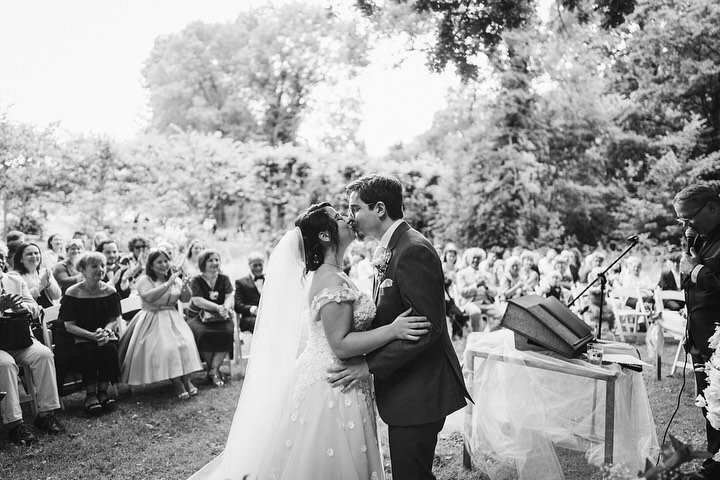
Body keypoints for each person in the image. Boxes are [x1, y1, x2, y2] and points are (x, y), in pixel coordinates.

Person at [188, 202, 430, 480]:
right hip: (334, 386)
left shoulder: (336, 274)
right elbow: (340, 344)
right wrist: (394, 330)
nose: (348, 219)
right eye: (339, 217)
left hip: (341, 377)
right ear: (325, 236)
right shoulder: (330, 281)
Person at [334, 174, 472, 480]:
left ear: (380, 208)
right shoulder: (389, 248)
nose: (350, 216)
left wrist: (369, 366)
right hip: (405, 386)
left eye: (355, 208)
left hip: (420, 390)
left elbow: (428, 327)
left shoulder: (413, 250)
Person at [674, 183, 720, 479]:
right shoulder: (700, 238)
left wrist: (694, 270)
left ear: (712, 208)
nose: (686, 225)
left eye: (688, 218)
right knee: (710, 403)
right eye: (681, 221)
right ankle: (715, 460)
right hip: (701, 336)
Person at [0, 242, 65, 445]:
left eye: (0, 258)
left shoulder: (14, 279)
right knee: (6, 364)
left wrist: (22, 309)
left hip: (20, 339)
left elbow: (35, 307)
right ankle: (15, 424)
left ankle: (46, 415)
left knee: (44, 354)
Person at [118, 249, 202, 399]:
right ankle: (177, 383)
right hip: (152, 318)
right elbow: (148, 297)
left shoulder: (174, 278)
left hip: (173, 317)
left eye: (165, 261)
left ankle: (187, 380)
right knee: (168, 348)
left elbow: (185, 299)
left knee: (186, 345)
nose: (163, 265)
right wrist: (168, 284)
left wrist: (185, 285)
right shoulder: (145, 279)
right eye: (159, 262)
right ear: (151, 264)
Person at [54, 252, 122, 414]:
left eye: (103, 266)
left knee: (109, 347)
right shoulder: (72, 292)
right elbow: (69, 326)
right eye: (94, 266)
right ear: (82, 270)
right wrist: (91, 336)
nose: (100, 269)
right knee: (88, 350)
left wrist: (106, 331)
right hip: (74, 336)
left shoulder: (110, 291)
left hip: (101, 333)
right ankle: (90, 395)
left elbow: (113, 319)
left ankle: (103, 392)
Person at [186, 249, 234, 387]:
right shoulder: (196, 279)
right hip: (198, 317)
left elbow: (229, 296)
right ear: (203, 263)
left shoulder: (224, 278)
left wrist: (225, 307)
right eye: (211, 260)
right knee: (202, 334)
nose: (215, 263)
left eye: (217, 259)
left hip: (221, 317)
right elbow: (197, 300)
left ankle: (213, 370)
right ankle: (213, 370)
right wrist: (218, 307)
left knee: (227, 332)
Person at [13, 242, 62, 308]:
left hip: (49, 313)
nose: (34, 256)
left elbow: (57, 296)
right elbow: (18, 299)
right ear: (21, 259)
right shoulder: (14, 275)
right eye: (29, 254)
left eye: (36, 253)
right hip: (28, 315)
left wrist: (48, 284)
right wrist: (40, 287)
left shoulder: (45, 271)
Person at [233, 251, 265, 333]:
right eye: (255, 265)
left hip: (268, 316)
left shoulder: (269, 281)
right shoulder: (241, 282)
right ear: (249, 265)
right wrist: (253, 309)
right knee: (260, 324)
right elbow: (237, 306)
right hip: (249, 319)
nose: (258, 268)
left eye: (260, 265)